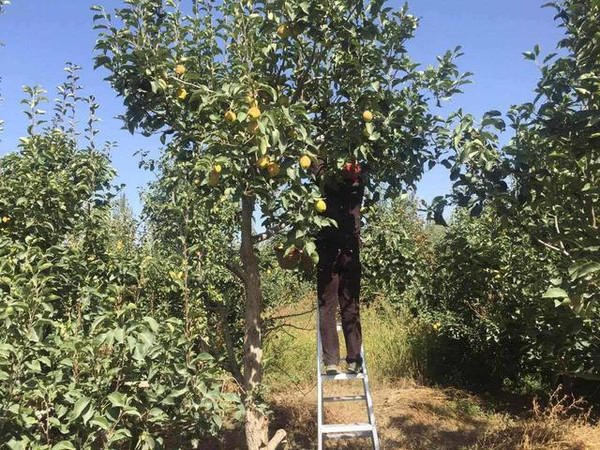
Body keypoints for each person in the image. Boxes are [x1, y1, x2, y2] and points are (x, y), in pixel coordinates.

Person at [314, 156, 365, 375]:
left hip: (327, 249)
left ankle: (331, 361)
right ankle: (353, 359)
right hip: (350, 249)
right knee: (350, 305)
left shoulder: (327, 182)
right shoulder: (358, 185)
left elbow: (316, 167)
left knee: (327, 306)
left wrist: (320, 148)